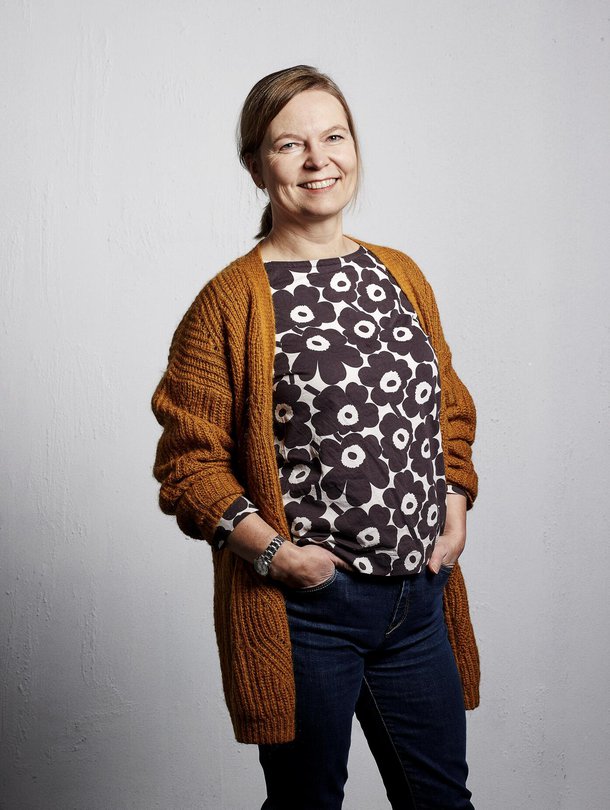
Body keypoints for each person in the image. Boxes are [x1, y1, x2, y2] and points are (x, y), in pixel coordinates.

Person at [151, 65, 479, 810]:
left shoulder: (400, 274)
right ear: (256, 167)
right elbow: (188, 463)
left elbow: (450, 408)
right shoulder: (229, 302)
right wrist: (278, 557)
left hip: (418, 597)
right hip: (308, 612)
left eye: (334, 137)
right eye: (289, 144)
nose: (317, 160)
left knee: (442, 802)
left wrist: (454, 503)